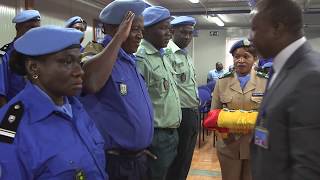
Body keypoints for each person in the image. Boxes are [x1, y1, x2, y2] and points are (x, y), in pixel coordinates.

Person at [0, 26, 106, 179]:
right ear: (33, 68)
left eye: (79, 61)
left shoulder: (76, 107)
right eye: (67, 62)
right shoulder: (13, 128)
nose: (80, 72)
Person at [80, 1, 154, 179]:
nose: (140, 36)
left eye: (142, 31)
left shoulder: (129, 59)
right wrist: (119, 39)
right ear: (115, 29)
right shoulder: (98, 54)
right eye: (135, 29)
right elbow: (91, 82)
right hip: (114, 163)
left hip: (138, 159)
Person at [250, 0, 320, 179]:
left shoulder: (310, 77)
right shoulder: (283, 68)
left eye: (255, 28)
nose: (250, 37)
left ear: (277, 28)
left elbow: (309, 167)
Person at [210, 39, 268, 180]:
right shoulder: (222, 81)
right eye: (237, 56)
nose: (240, 60)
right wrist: (224, 137)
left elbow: (269, 117)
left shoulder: (265, 81)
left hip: (255, 144)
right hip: (229, 143)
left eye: (246, 56)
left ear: (255, 59)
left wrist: (260, 144)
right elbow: (214, 115)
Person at [136, 6, 182, 180]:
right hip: (155, 136)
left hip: (171, 134)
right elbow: (137, 104)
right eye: (163, 28)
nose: (168, 33)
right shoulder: (142, 58)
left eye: (169, 28)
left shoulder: (162, 55)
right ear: (145, 30)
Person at [165, 16, 199, 180]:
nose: (187, 36)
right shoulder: (167, 54)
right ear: (172, 32)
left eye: (190, 33)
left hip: (192, 112)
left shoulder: (185, 55)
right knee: (177, 162)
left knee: (186, 160)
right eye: (183, 32)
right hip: (180, 114)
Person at [0, 9, 41, 107]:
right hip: (16, 113)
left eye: (37, 28)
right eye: (30, 27)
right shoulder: (5, 55)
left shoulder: (40, 53)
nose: (34, 32)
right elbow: (1, 95)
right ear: (17, 27)